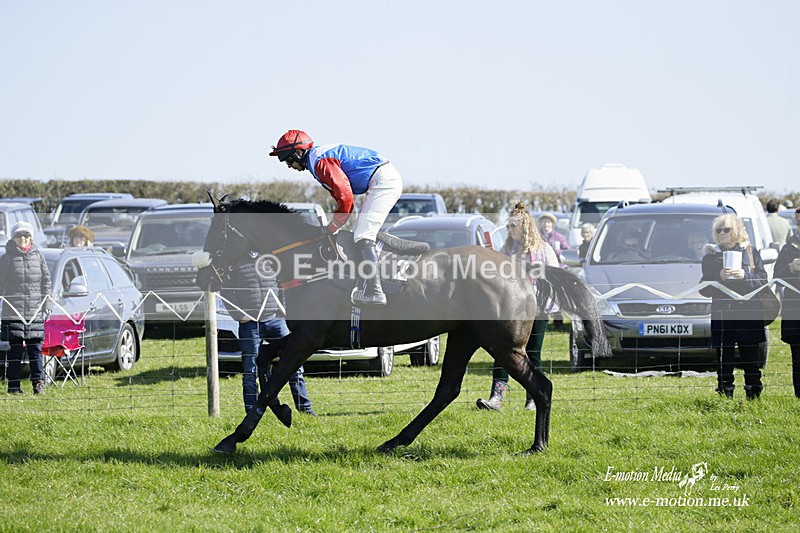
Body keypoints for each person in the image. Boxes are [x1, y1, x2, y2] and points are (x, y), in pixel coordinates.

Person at [269, 130, 403, 306]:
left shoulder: (320, 162)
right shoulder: (315, 161)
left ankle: (375, 291)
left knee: (363, 236)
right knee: (359, 234)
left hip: (383, 181)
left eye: (287, 159)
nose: (288, 165)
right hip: (379, 179)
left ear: (298, 152)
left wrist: (332, 226)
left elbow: (346, 199)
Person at [476, 202, 559, 411]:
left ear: (525, 226)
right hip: (511, 309)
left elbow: (554, 276)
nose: (510, 230)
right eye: (508, 226)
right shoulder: (506, 249)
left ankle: (533, 397)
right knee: (502, 351)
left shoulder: (544, 250)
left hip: (537, 308)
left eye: (513, 226)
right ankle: (496, 397)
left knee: (533, 353)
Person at [220, 251, 316, 415]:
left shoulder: (271, 257)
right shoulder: (233, 261)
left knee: (294, 364)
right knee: (250, 370)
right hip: (249, 323)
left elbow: (282, 284)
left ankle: (305, 409)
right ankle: (252, 412)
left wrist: (283, 310)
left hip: (275, 320)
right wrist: (240, 315)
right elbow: (226, 290)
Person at [700, 214, 767, 399]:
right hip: (723, 313)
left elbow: (763, 280)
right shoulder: (710, 257)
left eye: (726, 229)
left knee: (750, 357)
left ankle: (754, 393)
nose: (722, 233)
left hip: (749, 313)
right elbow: (703, 288)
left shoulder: (751, 252)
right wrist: (718, 277)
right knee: (724, 357)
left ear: (736, 230)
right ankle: (725, 393)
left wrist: (744, 275)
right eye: (719, 230)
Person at [0, 221, 52, 395]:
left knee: (35, 350)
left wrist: (47, 305)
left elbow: (46, 282)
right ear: (14, 238)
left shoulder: (39, 256)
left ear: (31, 237)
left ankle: (38, 384)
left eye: (26, 235)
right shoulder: (6, 258)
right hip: (13, 311)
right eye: (19, 235)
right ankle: (13, 386)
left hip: (35, 311)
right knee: (15, 350)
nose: (23, 238)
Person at [774, 207, 800, 398]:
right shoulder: (789, 248)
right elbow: (776, 276)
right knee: (798, 358)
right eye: (798, 222)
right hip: (795, 312)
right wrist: (790, 268)